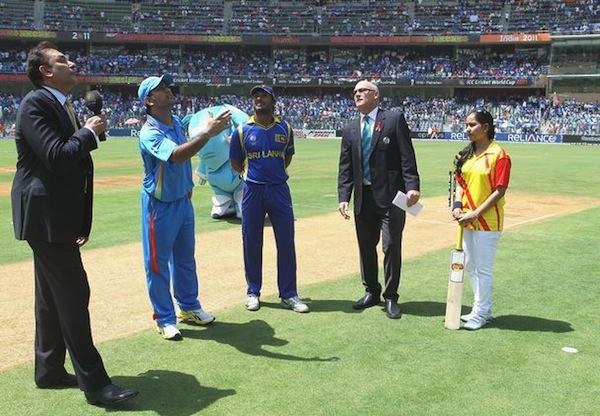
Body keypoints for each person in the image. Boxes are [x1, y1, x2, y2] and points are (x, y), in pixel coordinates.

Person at [10, 41, 138, 406]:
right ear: (45, 71)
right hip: (45, 217)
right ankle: (96, 384)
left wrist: (87, 132)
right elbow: (56, 157)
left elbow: (69, 160)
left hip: (54, 216)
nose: (72, 63)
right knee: (73, 295)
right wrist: (88, 131)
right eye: (62, 60)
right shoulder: (37, 103)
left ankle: (49, 371)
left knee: (51, 299)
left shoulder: (60, 104)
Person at [138, 74, 232, 340]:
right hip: (159, 206)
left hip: (181, 201)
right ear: (149, 100)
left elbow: (184, 153)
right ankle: (164, 318)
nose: (168, 90)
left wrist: (187, 185)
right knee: (157, 263)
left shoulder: (177, 122)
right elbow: (177, 155)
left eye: (167, 86)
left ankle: (189, 307)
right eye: (160, 89)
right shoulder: (150, 132)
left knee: (185, 259)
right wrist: (209, 133)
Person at [338, 80, 420, 319]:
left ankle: (391, 297)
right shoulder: (350, 128)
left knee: (391, 246)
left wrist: (412, 187)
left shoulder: (393, 120)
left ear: (375, 95)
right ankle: (371, 291)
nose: (357, 94)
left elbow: (407, 156)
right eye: (354, 92)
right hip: (363, 199)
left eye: (362, 90)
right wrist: (344, 196)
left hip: (393, 196)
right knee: (366, 247)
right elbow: (345, 167)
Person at [229, 85, 309, 313]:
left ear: (273, 101)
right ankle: (253, 292)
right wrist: (252, 177)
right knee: (251, 241)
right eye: (255, 96)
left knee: (285, 242)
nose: (258, 99)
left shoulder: (285, 128)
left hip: (279, 189)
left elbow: (287, 157)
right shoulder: (242, 131)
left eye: (263, 95)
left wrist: (273, 175)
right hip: (253, 190)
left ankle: (289, 294)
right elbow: (236, 162)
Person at [451, 109, 511, 330]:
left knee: (483, 269)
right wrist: (458, 206)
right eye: (466, 125)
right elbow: (460, 183)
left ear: (485, 127)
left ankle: (482, 311)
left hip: (488, 221)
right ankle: (481, 308)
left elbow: (499, 190)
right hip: (465, 219)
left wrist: (476, 212)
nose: (467, 129)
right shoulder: (466, 154)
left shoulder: (499, 155)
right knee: (470, 265)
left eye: (472, 125)